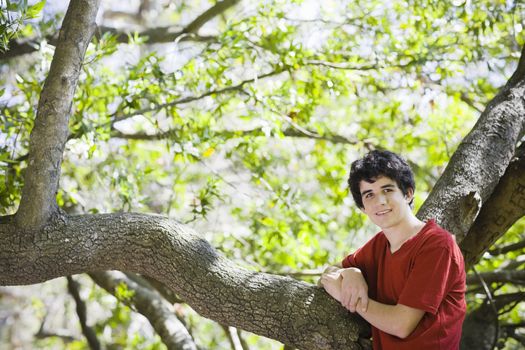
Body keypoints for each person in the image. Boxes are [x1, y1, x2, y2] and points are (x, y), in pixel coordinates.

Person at [320, 150, 466, 349]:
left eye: (387, 190)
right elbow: (328, 275)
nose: (380, 201)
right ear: (363, 207)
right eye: (369, 195)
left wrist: (351, 299)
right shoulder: (380, 244)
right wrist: (350, 273)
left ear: (408, 193)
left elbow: (401, 325)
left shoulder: (437, 244)